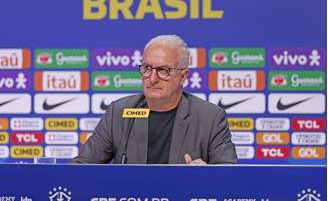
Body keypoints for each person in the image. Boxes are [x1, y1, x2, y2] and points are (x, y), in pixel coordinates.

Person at [72, 34, 237, 164]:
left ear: (183, 76)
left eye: (163, 70)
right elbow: (81, 167)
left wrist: (208, 175)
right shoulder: (119, 113)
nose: (152, 79)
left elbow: (229, 177)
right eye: (147, 69)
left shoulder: (210, 118)